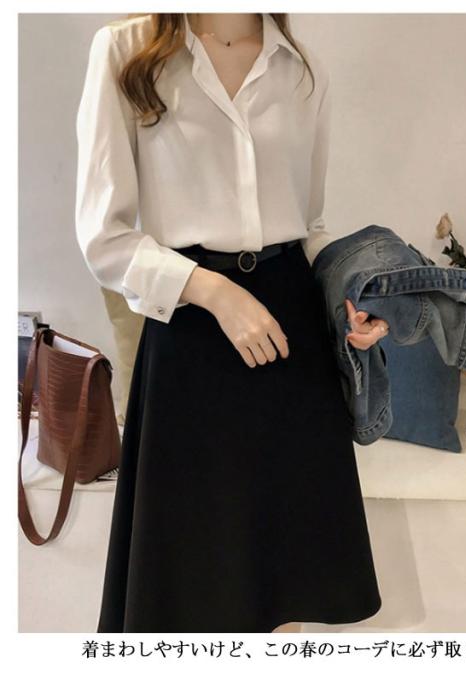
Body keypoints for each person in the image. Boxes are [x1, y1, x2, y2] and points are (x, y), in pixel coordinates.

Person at [75, 12, 389, 633]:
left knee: (288, 582)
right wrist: (214, 291)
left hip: (291, 335)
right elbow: (103, 237)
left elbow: (309, 222)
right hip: (189, 329)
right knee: (191, 579)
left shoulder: (302, 69)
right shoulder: (127, 51)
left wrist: (352, 298)